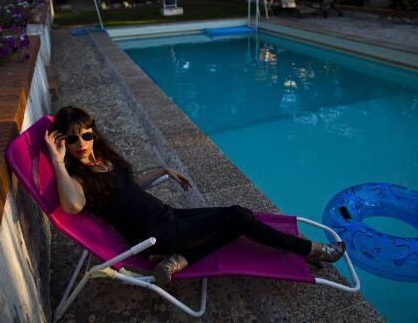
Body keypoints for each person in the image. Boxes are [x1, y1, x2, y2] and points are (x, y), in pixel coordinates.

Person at [45, 105, 345, 285]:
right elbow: (73, 206)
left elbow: (129, 188)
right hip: (154, 235)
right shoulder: (76, 177)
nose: (82, 142)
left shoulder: (102, 159)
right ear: (63, 142)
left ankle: (180, 260)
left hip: (167, 216)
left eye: (87, 134)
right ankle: (310, 250)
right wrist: (57, 161)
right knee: (238, 216)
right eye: (72, 138)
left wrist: (163, 170)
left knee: (235, 221)